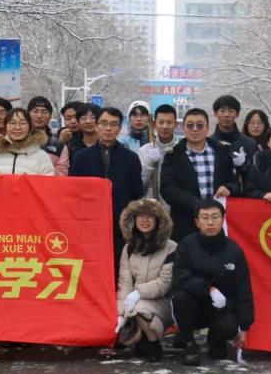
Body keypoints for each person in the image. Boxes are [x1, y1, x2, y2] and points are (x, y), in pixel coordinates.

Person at [171, 198, 253, 366]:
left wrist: (244, 328)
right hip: (193, 304)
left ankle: (216, 341)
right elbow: (181, 276)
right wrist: (209, 289)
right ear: (197, 222)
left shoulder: (234, 250)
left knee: (228, 327)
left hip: (221, 308)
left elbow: (243, 289)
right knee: (180, 298)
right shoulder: (186, 245)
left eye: (215, 217)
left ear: (223, 219)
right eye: (205, 217)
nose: (210, 222)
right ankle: (189, 343)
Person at [72, 107, 144, 266]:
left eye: (113, 124)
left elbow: (136, 192)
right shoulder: (81, 157)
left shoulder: (131, 158)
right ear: (96, 126)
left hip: (120, 226)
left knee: (118, 266)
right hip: (89, 224)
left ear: (119, 128)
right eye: (104, 123)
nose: (108, 128)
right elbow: (74, 192)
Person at [160, 108, 239, 241]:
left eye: (200, 125)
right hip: (185, 222)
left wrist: (229, 187)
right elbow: (167, 189)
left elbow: (235, 181)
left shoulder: (222, 151)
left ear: (207, 128)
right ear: (183, 128)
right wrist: (195, 203)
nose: (195, 129)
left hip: (218, 222)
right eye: (190, 125)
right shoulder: (173, 155)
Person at [117, 199, 177, 362]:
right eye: (140, 216)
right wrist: (120, 313)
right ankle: (140, 337)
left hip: (162, 301)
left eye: (150, 216)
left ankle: (153, 344)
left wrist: (138, 293)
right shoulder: (129, 247)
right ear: (133, 220)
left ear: (158, 221)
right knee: (123, 319)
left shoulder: (171, 247)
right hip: (133, 300)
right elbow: (125, 281)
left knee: (139, 309)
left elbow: (165, 282)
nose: (145, 220)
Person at [0, 107, 55, 176]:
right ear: (5, 126)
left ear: (30, 128)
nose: (17, 127)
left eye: (23, 123)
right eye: (12, 123)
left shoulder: (41, 157)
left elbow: (48, 182)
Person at [137, 104, 180, 203]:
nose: (165, 126)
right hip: (151, 206)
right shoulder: (144, 150)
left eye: (169, 122)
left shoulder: (180, 149)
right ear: (154, 124)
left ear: (176, 124)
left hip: (175, 206)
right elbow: (138, 184)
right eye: (161, 122)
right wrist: (148, 164)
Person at [208, 95, 256, 183]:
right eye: (222, 111)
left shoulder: (250, 144)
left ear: (237, 114)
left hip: (241, 191)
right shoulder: (207, 144)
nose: (226, 115)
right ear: (215, 113)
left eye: (231, 111)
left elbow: (256, 177)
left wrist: (244, 165)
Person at [56, 102, 99, 175]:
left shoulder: (104, 141)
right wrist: (60, 144)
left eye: (75, 117)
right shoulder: (61, 139)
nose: (73, 122)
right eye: (68, 118)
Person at [27, 96, 65, 169]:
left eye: (44, 112)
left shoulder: (58, 144)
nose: (39, 116)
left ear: (50, 116)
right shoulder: (19, 140)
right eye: (35, 111)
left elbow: (62, 171)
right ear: (28, 114)